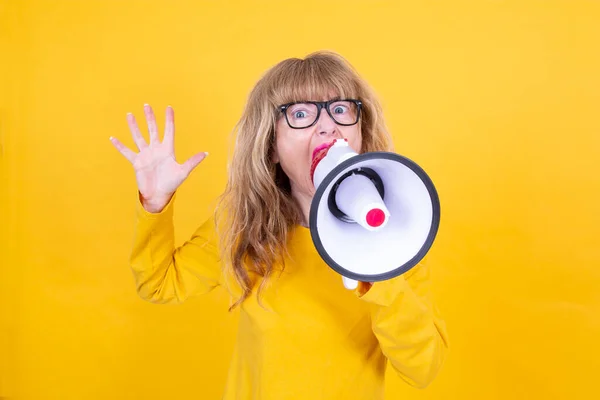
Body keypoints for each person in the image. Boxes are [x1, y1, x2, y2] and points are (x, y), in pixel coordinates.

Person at [110, 51, 449, 399]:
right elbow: (158, 284)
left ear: (359, 132)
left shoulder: (399, 240)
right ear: (271, 145)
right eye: (300, 113)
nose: (327, 125)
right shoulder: (243, 227)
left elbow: (422, 369)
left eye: (341, 109)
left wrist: (379, 269)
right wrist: (155, 205)